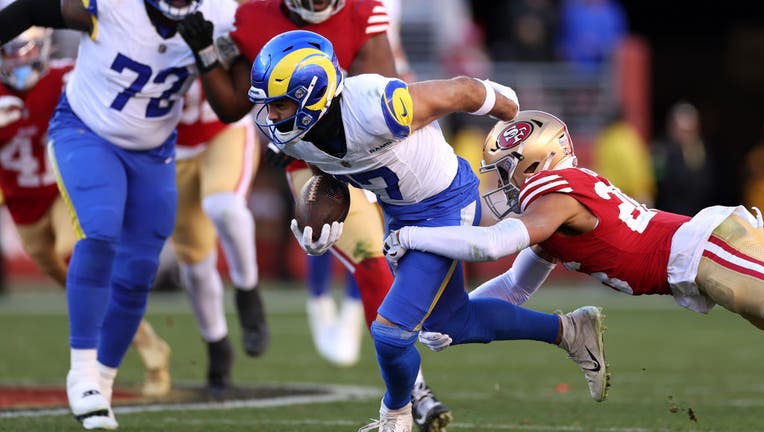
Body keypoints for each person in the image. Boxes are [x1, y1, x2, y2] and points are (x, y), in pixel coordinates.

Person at [246, 31, 609, 432]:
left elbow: (462, 91)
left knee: (390, 333)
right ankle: (570, 331)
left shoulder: (376, 106)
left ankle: (395, 417)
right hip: (400, 214)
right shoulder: (295, 138)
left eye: (280, 105)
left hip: (446, 203)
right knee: (452, 323)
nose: (272, 117)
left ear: (313, 94)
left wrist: (510, 109)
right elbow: (331, 173)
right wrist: (324, 215)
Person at [176, 3, 456, 431]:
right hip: (311, 161)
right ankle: (414, 390)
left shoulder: (363, 10)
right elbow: (233, 107)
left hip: (370, 146)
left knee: (415, 254)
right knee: (369, 261)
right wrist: (206, 55)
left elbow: (384, 85)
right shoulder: (251, 16)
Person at [0, 0, 237, 428]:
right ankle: (83, 371)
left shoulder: (221, 16)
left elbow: (231, 107)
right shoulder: (110, 4)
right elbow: (27, 10)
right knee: (100, 231)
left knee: (139, 270)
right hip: (86, 131)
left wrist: (207, 57)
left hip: (155, 151)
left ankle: (102, 384)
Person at [383, 110, 764, 356]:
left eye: (504, 171)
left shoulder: (553, 193)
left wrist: (410, 236)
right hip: (701, 255)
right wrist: (457, 316)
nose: (502, 183)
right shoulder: (555, 210)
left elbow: (493, 244)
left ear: (535, 160)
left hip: (705, 249)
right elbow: (515, 288)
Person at [0, 21, 172, 399]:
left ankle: (144, 351)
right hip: (21, 205)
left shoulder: (66, 77)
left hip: (64, 189)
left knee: (74, 252)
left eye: (23, 49)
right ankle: (149, 342)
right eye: (8, 50)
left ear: (42, 45)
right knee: (69, 276)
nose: (16, 59)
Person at [173, 78, 267, 393]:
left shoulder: (222, 25)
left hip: (223, 129)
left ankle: (247, 291)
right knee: (194, 262)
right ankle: (216, 343)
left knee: (223, 205)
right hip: (169, 146)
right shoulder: (131, 32)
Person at [652, 101, 715, 216]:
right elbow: (658, 181)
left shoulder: (700, 149)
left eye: (690, 130)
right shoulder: (662, 150)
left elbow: (706, 179)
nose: (687, 135)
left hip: (696, 212)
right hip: (670, 212)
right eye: (683, 130)